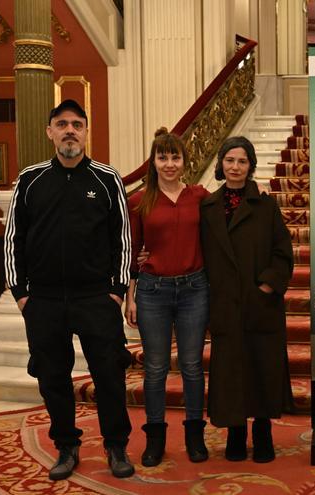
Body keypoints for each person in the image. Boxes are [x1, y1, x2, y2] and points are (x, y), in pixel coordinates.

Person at [4, 99, 134, 480]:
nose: (70, 130)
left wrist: (116, 289)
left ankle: (116, 445)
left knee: (109, 374)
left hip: (96, 297)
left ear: (86, 131)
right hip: (42, 300)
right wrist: (21, 294)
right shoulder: (30, 180)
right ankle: (66, 445)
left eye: (77, 124)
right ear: (50, 132)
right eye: (62, 124)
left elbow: (122, 240)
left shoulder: (108, 179)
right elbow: (13, 239)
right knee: (52, 377)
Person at [199, 136, 294, 463]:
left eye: (242, 161)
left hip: (260, 305)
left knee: (262, 370)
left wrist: (266, 287)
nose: (235, 167)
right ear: (221, 164)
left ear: (250, 166)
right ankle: (236, 433)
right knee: (231, 374)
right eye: (229, 160)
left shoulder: (266, 206)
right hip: (225, 304)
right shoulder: (208, 207)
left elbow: (283, 254)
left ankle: (263, 432)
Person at [125, 128, 210, 466]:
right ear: (154, 161)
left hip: (194, 289)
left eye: (175, 156)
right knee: (156, 368)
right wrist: (130, 296)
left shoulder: (200, 196)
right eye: (163, 157)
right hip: (152, 292)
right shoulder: (138, 200)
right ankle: (155, 438)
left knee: (191, 366)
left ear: (184, 160)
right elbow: (131, 253)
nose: (170, 163)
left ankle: (194, 436)